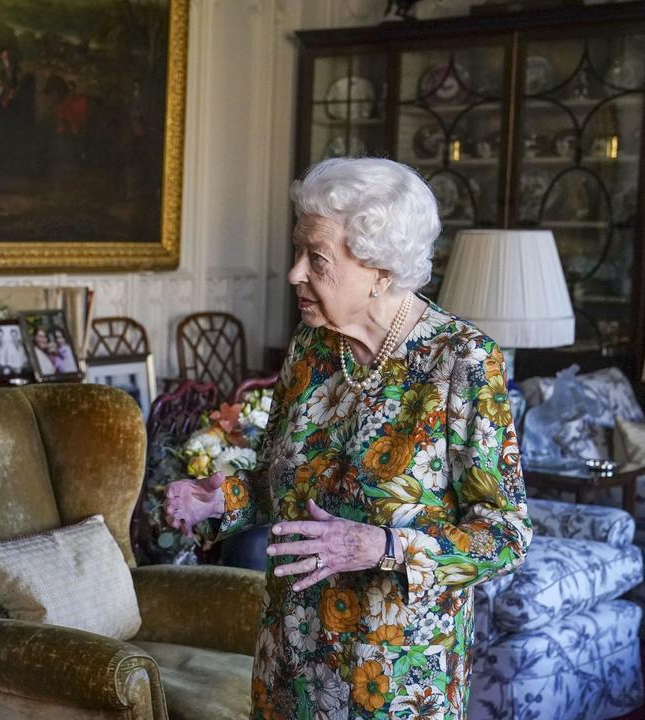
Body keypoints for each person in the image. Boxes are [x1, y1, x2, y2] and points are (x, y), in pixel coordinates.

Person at [166, 157, 533, 719]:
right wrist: (221, 498)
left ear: (381, 271)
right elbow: (277, 482)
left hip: (394, 674)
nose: (294, 274)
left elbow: (505, 534)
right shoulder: (311, 349)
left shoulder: (461, 361)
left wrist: (383, 547)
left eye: (316, 259)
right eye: (299, 253)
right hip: (290, 656)